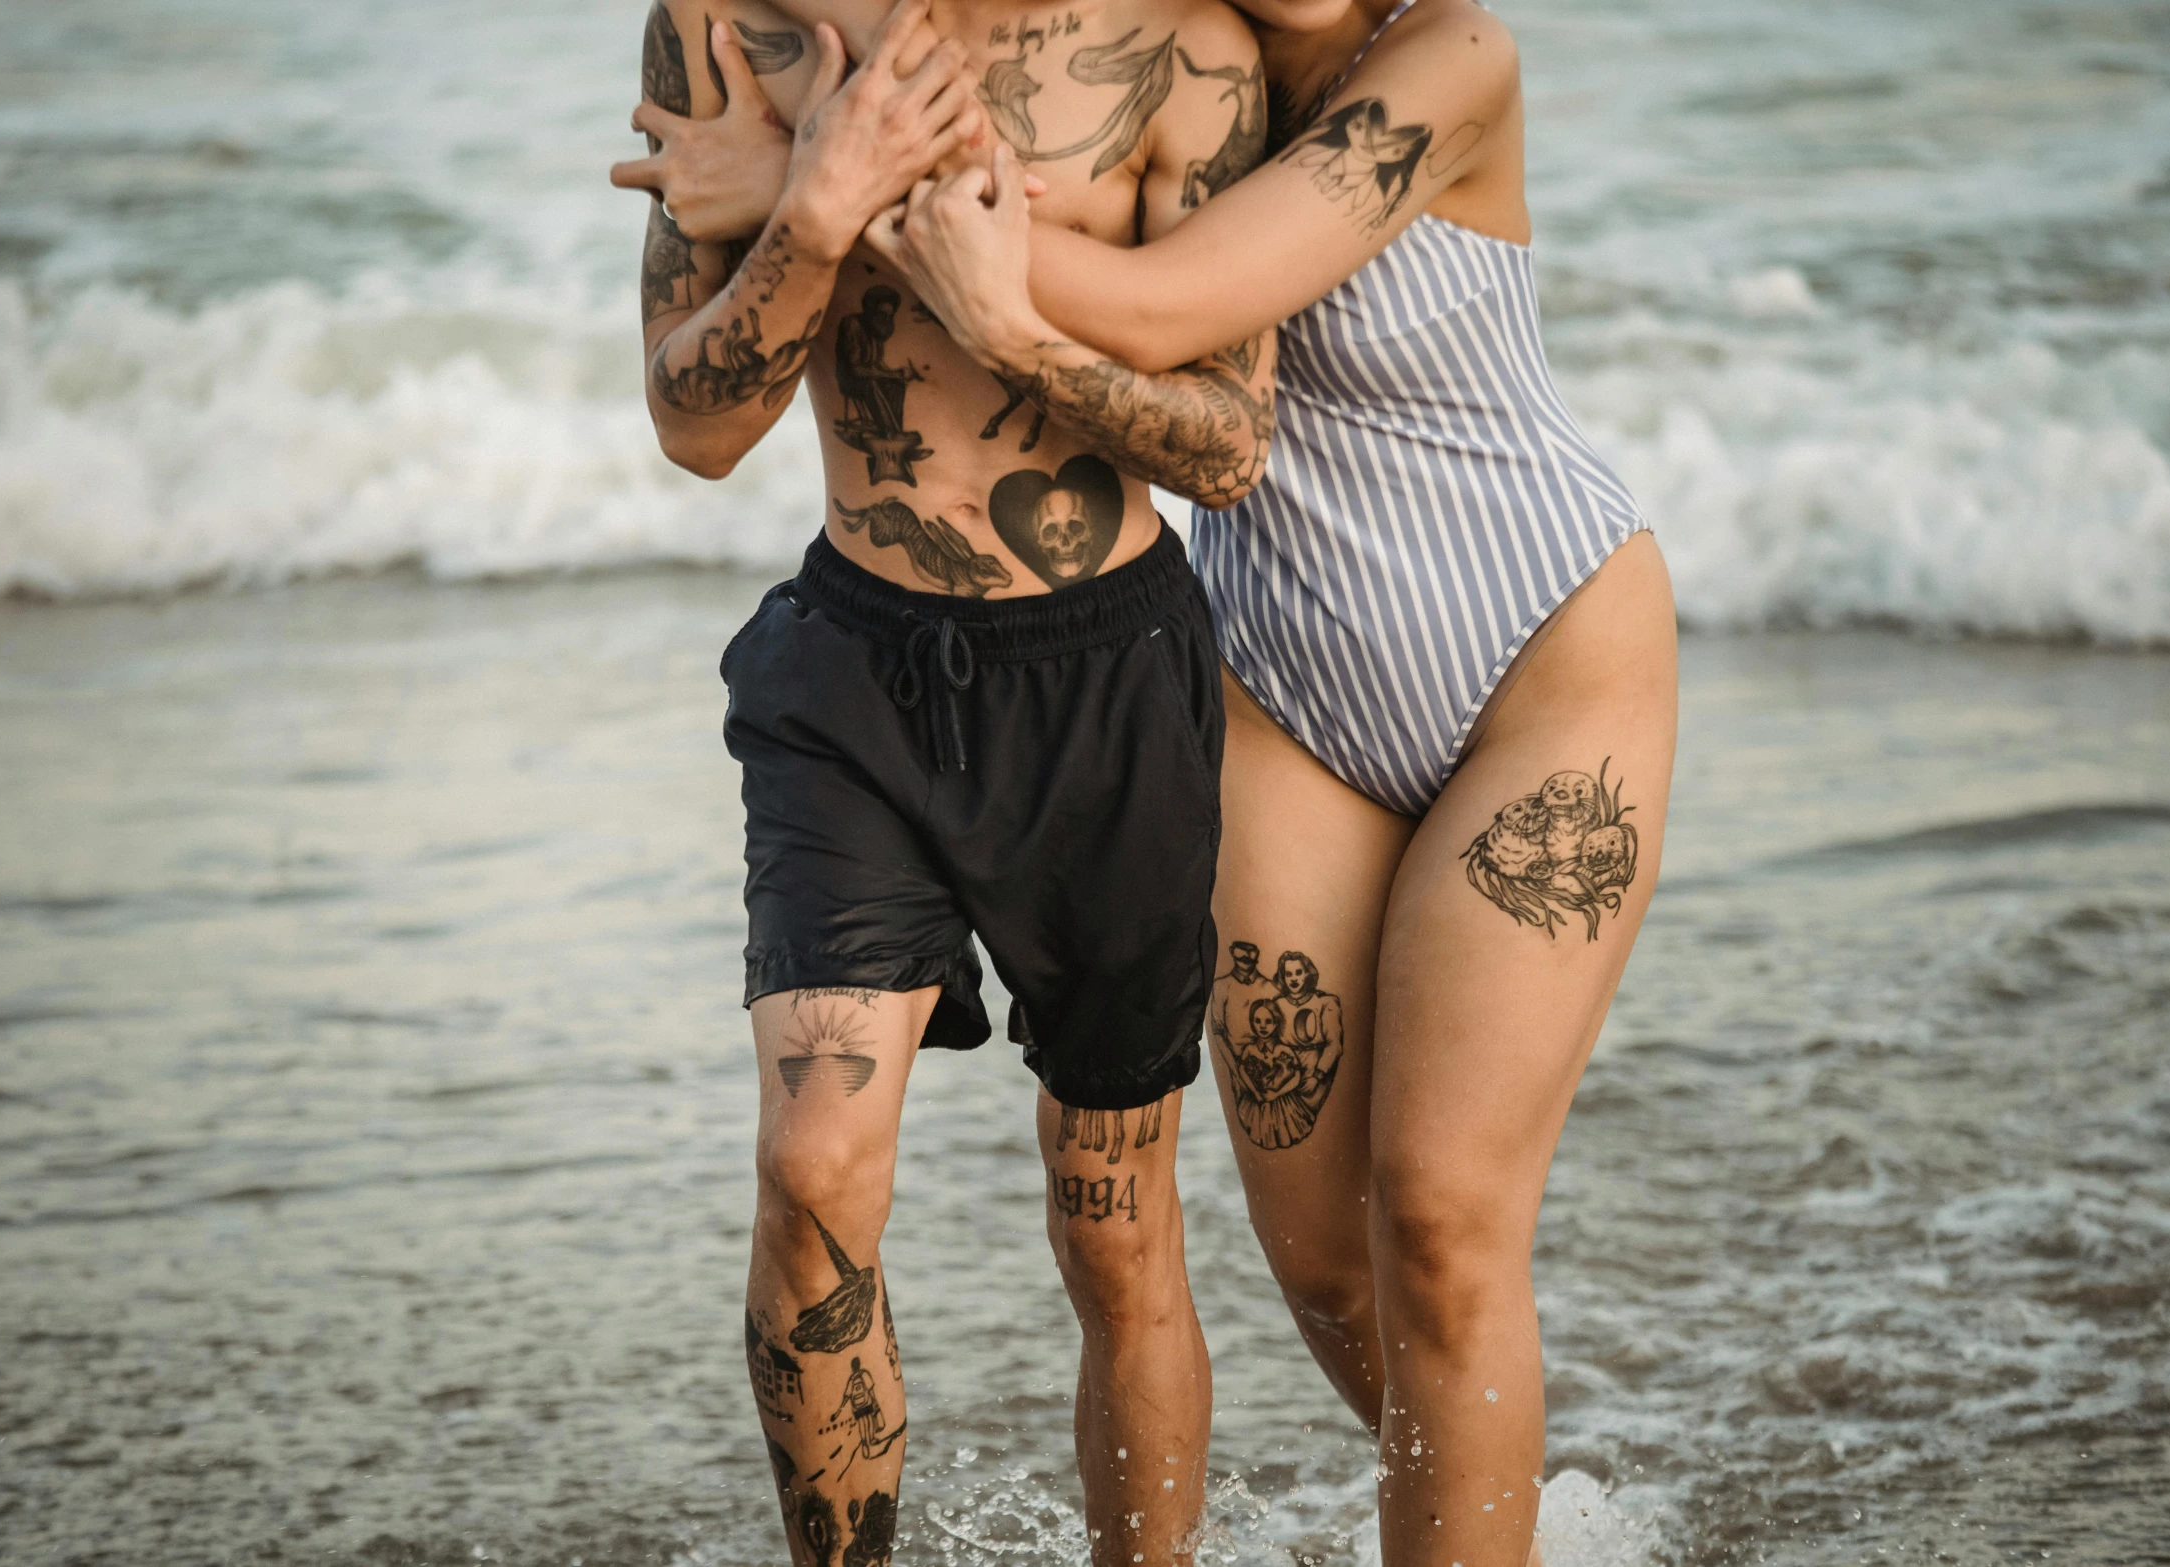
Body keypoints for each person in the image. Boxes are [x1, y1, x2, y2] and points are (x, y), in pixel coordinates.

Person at [624, 0, 1679, 1560]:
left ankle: (1481, 1513)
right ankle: (1489, 1498)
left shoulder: (1446, 57)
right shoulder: (1178, 44)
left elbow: (1180, 310)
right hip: (1284, 674)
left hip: (1534, 654)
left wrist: (817, 194)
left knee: (1440, 1225)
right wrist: (817, 197)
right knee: (1322, 1258)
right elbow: (707, 409)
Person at [609, 1, 1283, 1562]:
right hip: (852, 669)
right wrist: (817, 208)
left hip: (1107, 684)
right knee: (810, 1164)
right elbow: (691, 428)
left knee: (1112, 1232)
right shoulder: (722, 30)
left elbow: (1229, 445)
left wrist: (1003, 318)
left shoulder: (1183, 47)